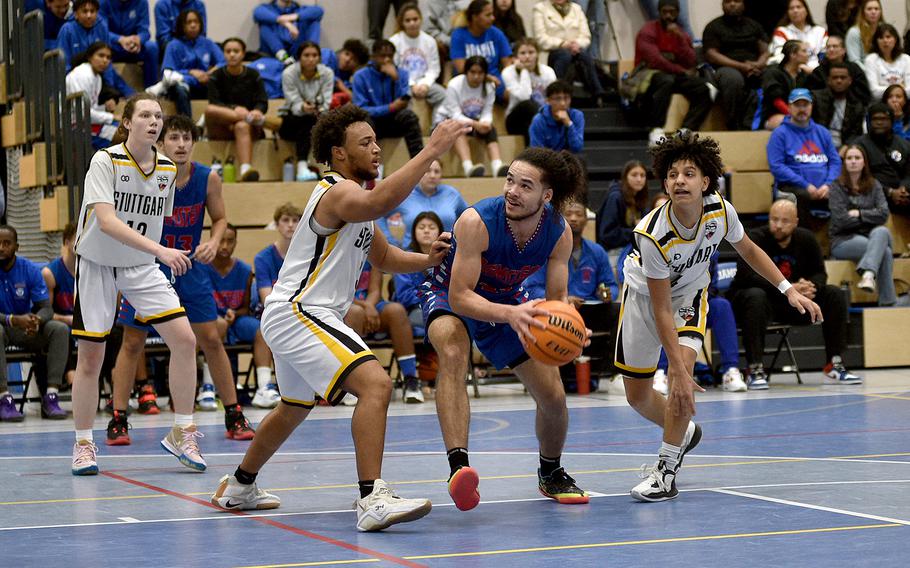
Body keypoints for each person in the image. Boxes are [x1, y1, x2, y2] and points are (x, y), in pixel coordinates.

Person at [210, 105, 469, 532]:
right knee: (376, 384)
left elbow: (383, 256)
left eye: (376, 141)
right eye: (365, 143)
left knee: (294, 407)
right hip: (301, 310)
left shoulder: (358, 202)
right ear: (339, 153)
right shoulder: (336, 191)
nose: (376, 149)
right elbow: (381, 198)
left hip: (297, 313)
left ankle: (239, 485)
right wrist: (431, 149)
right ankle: (371, 497)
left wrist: (427, 259)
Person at [616, 132, 821, 502]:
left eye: (690, 173)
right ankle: (685, 432)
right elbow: (660, 307)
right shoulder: (651, 234)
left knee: (683, 377)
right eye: (674, 174)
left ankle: (665, 472)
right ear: (664, 182)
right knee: (638, 397)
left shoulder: (720, 211)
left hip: (691, 295)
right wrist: (673, 366)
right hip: (645, 300)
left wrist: (787, 289)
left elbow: (749, 249)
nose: (681, 180)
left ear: (705, 181)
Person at [419, 146, 591, 511]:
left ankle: (551, 471)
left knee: (554, 396)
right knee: (453, 350)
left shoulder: (559, 233)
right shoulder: (476, 221)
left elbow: (558, 302)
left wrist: (571, 331)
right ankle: (459, 469)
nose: (512, 190)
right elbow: (462, 296)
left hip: (508, 300)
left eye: (525, 185)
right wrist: (510, 315)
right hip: (450, 293)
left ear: (547, 196)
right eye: (510, 179)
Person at [69, 93, 201, 475]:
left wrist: (155, 253)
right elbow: (108, 222)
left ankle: (182, 430)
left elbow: (151, 221)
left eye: (158, 115)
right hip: (97, 263)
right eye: (145, 115)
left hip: (139, 264)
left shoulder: (166, 169)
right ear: (127, 122)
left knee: (185, 340)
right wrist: (162, 251)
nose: (154, 121)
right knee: (91, 357)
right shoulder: (105, 160)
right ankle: (83, 443)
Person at [106, 113, 255, 446]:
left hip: (189, 265)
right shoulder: (146, 175)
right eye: (174, 138)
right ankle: (118, 417)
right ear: (160, 143)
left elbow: (220, 219)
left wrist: (214, 242)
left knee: (211, 340)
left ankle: (233, 412)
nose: (182, 144)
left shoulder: (207, 178)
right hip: (147, 265)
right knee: (132, 342)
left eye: (187, 138)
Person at [729, 198, 861, 390]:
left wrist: (811, 286)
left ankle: (834, 363)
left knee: (834, 294)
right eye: (774, 220)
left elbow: (819, 273)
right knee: (755, 296)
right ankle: (755, 368)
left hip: (795, 303)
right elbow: (745, 276)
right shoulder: (755, 238)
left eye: (785, 221)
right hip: (763, 303)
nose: (778, 226)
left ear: (796, 222)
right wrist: (787, 287)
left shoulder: (807, 238)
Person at [522, 198, 621, 391]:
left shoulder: (597, 251)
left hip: (589, 310)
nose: (574, 218)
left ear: (587, 220)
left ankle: (612, 372)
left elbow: (610, 284)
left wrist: (607, 294)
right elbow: (532, 288)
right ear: (560, 219)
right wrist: (562, 301)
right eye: (569, 214)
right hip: (556, 314)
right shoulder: (546, 250)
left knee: (620, 311)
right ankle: (563, 373)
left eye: (579, 214)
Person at [202, 224, 279, 409]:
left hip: (237, 320)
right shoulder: (202, 268)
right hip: (210, 321)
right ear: (212, 240)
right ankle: (207, 388)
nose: (225, 246)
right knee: (217, 326)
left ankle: (264, 387)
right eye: (221, 240)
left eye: (230, 241)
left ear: (236, 243)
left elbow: (246, 308)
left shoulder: (244, 270)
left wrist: (235, 314)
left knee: (262, 330)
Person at [0, 225, 70, 422]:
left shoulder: (29, 269)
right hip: (4, 329)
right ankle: (4, 399)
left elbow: (46, 307)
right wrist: (12, 319)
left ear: (17, 246)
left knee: (59, 328)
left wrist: (37, 320)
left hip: (28, 328)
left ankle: (51, 396)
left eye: (6, 243)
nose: (1, 248)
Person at [634, 0, 713, 138]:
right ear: (659, 13)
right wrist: (681, 71)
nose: (668, 16)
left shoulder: (681, 33)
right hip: (649, 74)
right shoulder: (648, 30)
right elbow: (655, 61)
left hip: (674, 75)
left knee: (705, 89)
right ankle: (656, 130)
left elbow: (691, 60)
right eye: (664, 12)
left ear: (677, 13)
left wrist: (681, 38)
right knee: (666, 81)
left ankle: (686, 130)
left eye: (672, 12)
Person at [829, 144, 896, 306]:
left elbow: (883, 214)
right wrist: (868, 217)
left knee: (881, 232)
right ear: (844, 163)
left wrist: (858, 213)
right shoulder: (837, 187)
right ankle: (888, 303)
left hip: (872, 237)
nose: (853, 161)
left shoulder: (874, 185)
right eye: (849, 158)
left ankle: (868, 275)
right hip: (843, 240)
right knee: (884, 250)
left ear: (864, 162)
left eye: (857, 158)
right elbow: (841, 220)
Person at [350, 262, 423, 403]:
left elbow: (375, 290)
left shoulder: (369, 251)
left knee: (396, 311)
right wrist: (365, 307)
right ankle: (352, 384)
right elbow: (338, 294)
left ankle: (411, 380)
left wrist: (370, 306)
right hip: (346, 307)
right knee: (355, 313)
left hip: (371, 305)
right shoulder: (335, 252)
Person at [767, 88, 841, 226]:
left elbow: (835, 162)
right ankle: (804, 238)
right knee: (801, 196)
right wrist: (806, 185)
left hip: (824, 186)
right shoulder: (779, 134)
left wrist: (828, 184)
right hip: (793, 187)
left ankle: (838, 241)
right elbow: (777, 166)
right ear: (789, 107)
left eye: (805, 105)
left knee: (841, 193)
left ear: (811, 106)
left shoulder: (822, 132)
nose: (802, 109)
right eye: (797, 105)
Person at [204, 38, 267, 183]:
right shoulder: (216, 75)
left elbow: (262, 102)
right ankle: (244, 117)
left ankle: (246, 170)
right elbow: (214, 102)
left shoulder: (254, 75)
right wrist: (235, 109)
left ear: (243, 54)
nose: (232, 54)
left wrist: (257, 110)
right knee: (209, 110)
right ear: (224, 54)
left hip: (249, 127)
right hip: (221, 126)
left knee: (242, 125)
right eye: (228, 51)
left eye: (236, 51)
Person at [433, 55, 506, 176]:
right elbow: (454, 114)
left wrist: (485, 123)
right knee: (458, 127)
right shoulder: (454, 85)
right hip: (446, 120)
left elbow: (487, 110)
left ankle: (497, 166)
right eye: (472, 72)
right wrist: (475, 124)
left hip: (472, 120)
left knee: (490, 129)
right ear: (466, 72)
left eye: (480, 73)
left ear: (485, 74)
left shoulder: (489, 87)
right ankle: (468, 168)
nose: (476, 76)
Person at [702, 0, 770, 130]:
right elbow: (712, 54)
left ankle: (766, 121)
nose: (732, 4)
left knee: (773, 74)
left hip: (754, 66)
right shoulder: (713, 26)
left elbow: (765, 51)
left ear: (744, 4)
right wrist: (741, 66)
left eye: (737, 1)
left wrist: (758, 64)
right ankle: (734, 124)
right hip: (726, 68)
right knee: (733, 79)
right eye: (728, 1)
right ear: (722, 5)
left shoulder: (753, 25)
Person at [352, 39, 425, 160]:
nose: (387, 59)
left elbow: (404, 100)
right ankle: (366, 164)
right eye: (382, 56)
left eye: (390, 56)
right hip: (373, 122)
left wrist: (396, 79)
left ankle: (419, 161)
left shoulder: (402, 74)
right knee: (363, 120)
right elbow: (361, 108)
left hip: (394, 121)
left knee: (409, 116)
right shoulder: (361, 76)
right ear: (373, 56)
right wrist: (389, 108)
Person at [376, 159, 468, 249]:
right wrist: (390, 241)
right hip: (412, 253)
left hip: (447, 251)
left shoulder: (451, 194)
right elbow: (378, 215)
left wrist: (461, 240)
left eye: (437, 172)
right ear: (418, 173)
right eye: (427, 171)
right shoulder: (406, 194)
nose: (432, 175)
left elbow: (468, 217)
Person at [151, 8, 225, 119]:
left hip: (204, 83)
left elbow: (223, 62)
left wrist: (209, 73)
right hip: (183, 85)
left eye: (196, 22)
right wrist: (190, 72)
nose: (193, 25)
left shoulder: (207, 43)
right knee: (180, 90)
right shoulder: (173, 45)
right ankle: (188, 126)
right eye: (189, 22)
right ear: (182, 26)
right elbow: (168, 73)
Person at [532, 0, 606, 106]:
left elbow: (586, 36)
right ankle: (557, 93)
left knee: (585, 56)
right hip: (553, 51)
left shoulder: (577, 8)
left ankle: (598, 94)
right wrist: (562, 43)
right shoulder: (540, 9)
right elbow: (540, 38)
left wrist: (577, 44)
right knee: (564, 56)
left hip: (576, 49)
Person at [279, 41, 333, 182]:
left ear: (319, 58)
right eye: (306, 55)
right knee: (307, 121)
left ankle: (325, 169)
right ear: (299, 58)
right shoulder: (288, 73)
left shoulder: (327, 73)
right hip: (291, 119)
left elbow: (326, 101)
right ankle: (302, 165)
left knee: (317, 123)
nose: (311, 59)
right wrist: (303, 107)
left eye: (314, 55)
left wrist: (317, 108)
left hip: (317, 117)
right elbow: (292, 101)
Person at [57, 0, 135, 98]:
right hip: (76, 78)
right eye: (84, 11)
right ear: (76, 14)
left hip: (99, 76)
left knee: (117, 82)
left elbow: (107, 61)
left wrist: (108, 89)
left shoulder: (102, 27)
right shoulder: (67, 29)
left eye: (92, 11)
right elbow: (63, 65)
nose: (89, 15)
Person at [849, 103, 910, 216]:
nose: (879, 122)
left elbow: (908, 173)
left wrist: (903, 189)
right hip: (871, 195)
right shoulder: (859, 145)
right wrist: (890, 192)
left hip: (902, 194)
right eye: (875, 119)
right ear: (869, 122)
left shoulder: (904, 145)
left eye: (883, 119)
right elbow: (859, 177)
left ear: (891, 121)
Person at [389, 3, 447, 120]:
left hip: (426, 83)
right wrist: (412, 85)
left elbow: (434, 68)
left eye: (415, 19)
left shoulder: (429, 41)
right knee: (405, 97)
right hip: (404, 84)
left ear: (420, 19)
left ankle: (436, 128)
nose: (412, 23)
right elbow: (395, 68)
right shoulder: (395, 41)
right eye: (408, 20)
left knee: (444, 95)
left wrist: (425, 84)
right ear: (402, 22)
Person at [450, 0, 513, 100]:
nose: (493, 18)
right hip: (469, 78)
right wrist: (486, 78)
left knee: (514, 95)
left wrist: (511, 83)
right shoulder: (459, 35)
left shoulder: (496, 33)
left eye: (492, 14)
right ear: (475, 17)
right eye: (488, 15)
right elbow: (461, 68)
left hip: (495, 78)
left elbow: (508, 64)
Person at [393, 211, 445, 330]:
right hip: (415, 308)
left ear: (440, 233)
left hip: (445, 306)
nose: (426, 231)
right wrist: (434, 300)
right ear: (414, 232)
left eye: (431, 227)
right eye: (421, 227)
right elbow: (405, 296)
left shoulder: (448, 259)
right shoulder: (404, 258)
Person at [65, 41, 120, 150]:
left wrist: (105, 107)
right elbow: (82, 113)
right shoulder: (81, 75)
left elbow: (91, 109)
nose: (105, 60)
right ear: (90, 57)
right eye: (101, 56)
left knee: (125, 131)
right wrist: (112, 117)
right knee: (123, 133)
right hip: (75, 126)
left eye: (108, 57)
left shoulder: (97, 78)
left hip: (87, 123)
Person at [501, 38, 556, 143]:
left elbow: (553, 98)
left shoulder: (548, 72)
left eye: (531, 52)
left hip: (541, 117)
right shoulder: (508, 72)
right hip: (516, 118)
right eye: (522, 53)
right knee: (529, 105)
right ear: (516, 57)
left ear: (537, 54)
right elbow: (524, 96)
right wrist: (524, 71)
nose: (527, 56)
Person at [99, 0, 159, 88]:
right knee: (99, 49)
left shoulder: (142, 2)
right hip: (112, 46)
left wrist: (138, 40)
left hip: (133, 47)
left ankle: (151, 90)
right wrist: (120, 39)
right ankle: (111, 91)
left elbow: (144, 31)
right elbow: (101, 30)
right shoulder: (103, 2)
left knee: (152, 47)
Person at [596, 160, 649, 257]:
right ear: (625, 177)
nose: (639, 179)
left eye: (642, 175)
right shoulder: (615, 197)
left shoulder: (640, 199)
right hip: (613, 251)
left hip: (632, 249)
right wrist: (636, 231)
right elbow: (608, 234)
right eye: (634, 175)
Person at [254, 203, 302, 306]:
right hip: (273, 313)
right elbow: (267, 300)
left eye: (295, 220)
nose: (290, 225)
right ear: (276, 225)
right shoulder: (262, 258)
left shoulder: (307, 256)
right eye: (285, 220)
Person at [810, 62, 866, 147]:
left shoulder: (857, 105)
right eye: (835, 78)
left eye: (843, 78)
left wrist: (846, 147)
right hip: (816, 143)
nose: (839, 81)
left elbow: (856, 134)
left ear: (850, 81)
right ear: (828, 80)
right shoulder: (816, 99)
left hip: (844, 147)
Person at [805, 34, 871, 106]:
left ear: (843, 50)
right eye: (828, 47)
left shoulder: (855, 69)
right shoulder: (818, 72)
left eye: (835, 46)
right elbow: (814, 95)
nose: (831, 49)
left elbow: (863, 94)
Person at [253, 0, 324, 66]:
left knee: (314, 22)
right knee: (264, 24)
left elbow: (319, 11)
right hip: (273, 54)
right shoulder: (268, 8)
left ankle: (312, 54)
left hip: (296, 50)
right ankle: (283, 56)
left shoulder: (299, 9)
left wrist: (294, 17)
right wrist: (286, 23)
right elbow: (258, 13)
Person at [760, 40, 809, 130]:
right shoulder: (773, 73)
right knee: (791, 123)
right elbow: (776, 101)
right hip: (774, 115)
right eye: (804, 51)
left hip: (801, 115)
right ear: (793, 55)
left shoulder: (804, 75)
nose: (807, 54)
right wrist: (794, 115)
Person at [767, 0, 827, 71]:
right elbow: (780, 55)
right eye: (791, 8)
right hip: (792, 71)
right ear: (788, 13)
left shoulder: (820, 31)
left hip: (818, 71)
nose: (795, 11)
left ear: (806, 10)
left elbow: (825, 54)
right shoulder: (782, 31)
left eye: (799, 7)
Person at [529, 80, 585, 154]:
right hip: (546, 161)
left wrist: (569, 124)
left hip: (568, 160)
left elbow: (577, 147)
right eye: (558, 99)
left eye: (566, 98)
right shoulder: (539, 120)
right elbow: (536, 151)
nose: (563, 103)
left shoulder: (577, 116)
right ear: (548, 100)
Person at [864, 24, 910, 100]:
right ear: (876, 41)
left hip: (904, 104)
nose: (885, 41)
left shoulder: (906, 59)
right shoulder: (871, 59)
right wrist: (900, 87)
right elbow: (874, 92)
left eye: (888, 37)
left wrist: (883, 88)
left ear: (895, 39)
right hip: (880, 105)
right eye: (881, 38)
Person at [324, 38, 369, 109]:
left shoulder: (347, 79)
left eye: (353, 59)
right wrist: (337, 82)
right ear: (341, 51)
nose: (347, 60)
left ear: (357, 66)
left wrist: (342, 86)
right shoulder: (328, 54)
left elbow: (356, 100)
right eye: (346, 54)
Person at [845, 0, 883, 68]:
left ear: (880, 11)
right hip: (863, 73)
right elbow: (855, 61)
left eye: (876, 9)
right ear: (863, 12)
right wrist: (870, 73)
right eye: (869, 9)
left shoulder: (885, 31)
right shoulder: (854, 32)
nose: (873, 12)